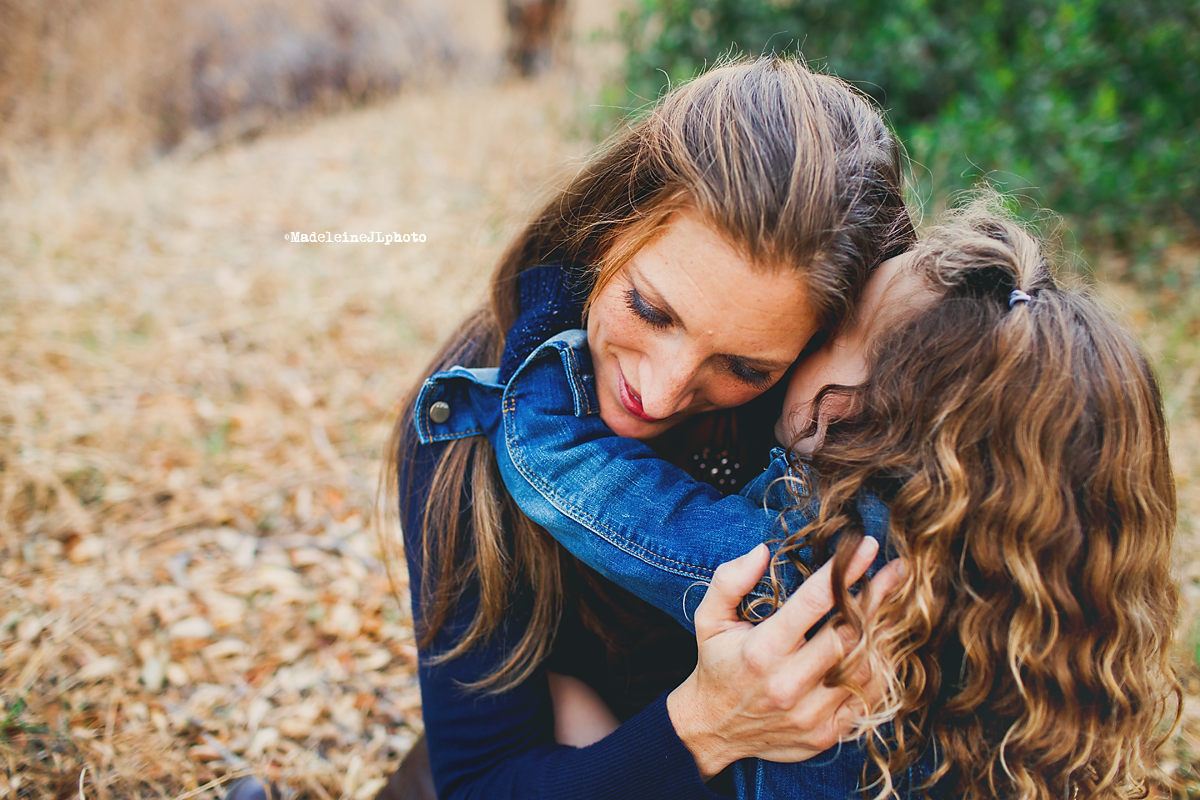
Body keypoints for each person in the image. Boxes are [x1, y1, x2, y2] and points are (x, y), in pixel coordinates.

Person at [416, 201, 1182, 799]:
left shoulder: (809, 570)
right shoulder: (1017, 621)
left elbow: (568, 469)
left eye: (829, 331)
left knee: (565, 695)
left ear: (867, 408)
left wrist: (554, 292)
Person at [379, 55, 914, 800]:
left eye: (746, 369)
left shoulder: (843, 437)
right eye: (651, 310)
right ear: (609, 228)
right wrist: (708, 724)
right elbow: (481, 782)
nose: (659, 395)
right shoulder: (468, 416)